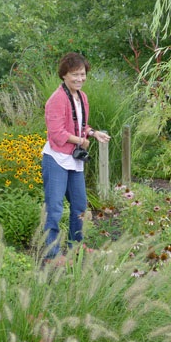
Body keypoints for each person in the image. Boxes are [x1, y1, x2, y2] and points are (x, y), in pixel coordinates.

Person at [41, 52, 110, 261]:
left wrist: (92, 133)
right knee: (54, 208)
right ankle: (51, 255)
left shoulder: (82, 97)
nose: (80, 79)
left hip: (73, 159)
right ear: (64, 75)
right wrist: (80, 141)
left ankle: (76, 246)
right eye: (74, 75)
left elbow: (80, 125)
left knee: (79, 205)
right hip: (56, 159)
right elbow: (57, 133)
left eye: (82, 74)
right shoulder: (56, 99)